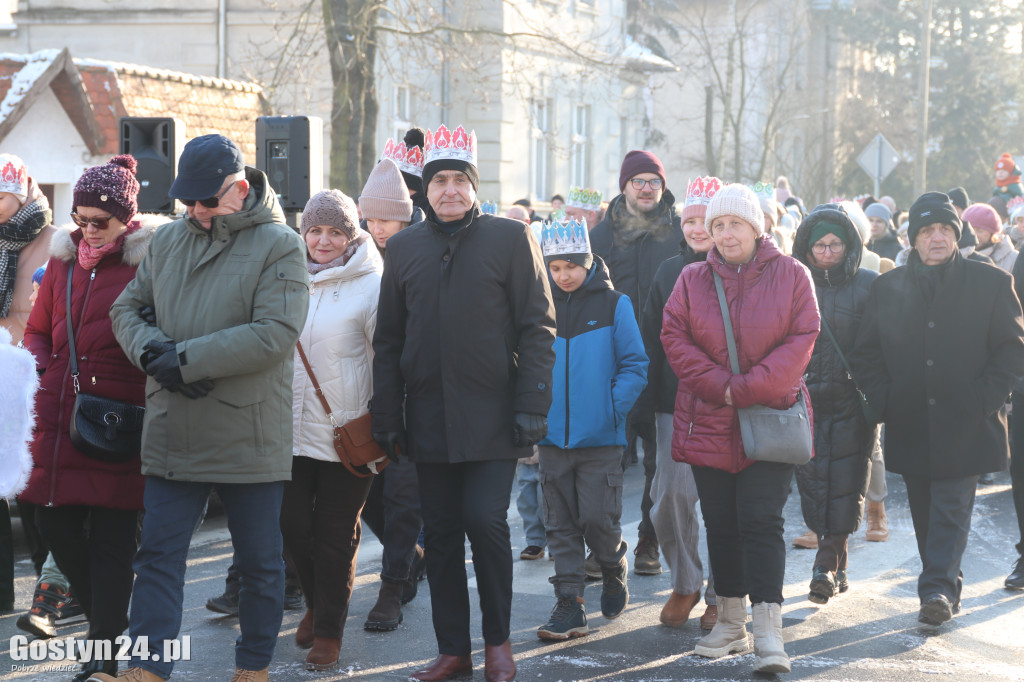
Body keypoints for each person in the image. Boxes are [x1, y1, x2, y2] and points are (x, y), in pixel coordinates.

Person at [103, 134, 309, 682]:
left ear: (240, 189)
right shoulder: (168, 241)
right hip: (176, 424)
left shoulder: (281, 244)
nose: (196, 211)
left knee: (261, 564)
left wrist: (185, 360)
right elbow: (126, 307)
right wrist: (153, 354)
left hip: (249, 428)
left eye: (207, 200)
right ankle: (148, 667)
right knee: (158, 559)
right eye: (187, 200)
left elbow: (275, 333)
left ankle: (254, 666)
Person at [371, 124, 555, 682]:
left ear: (474, 186)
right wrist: (388, 414)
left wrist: (531, 405)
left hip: (495, 417)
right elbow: (389, 340)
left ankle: (498, 643)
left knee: (485, 521)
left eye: (459, 180)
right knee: (442, 533)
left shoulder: (510, 238)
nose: (449, 190)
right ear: (424, 189)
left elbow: (538, 327)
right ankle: (453, 649)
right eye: (439, 180)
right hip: (427, 419)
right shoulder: (403, 249)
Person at [661, 183, 818, 674]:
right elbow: (674, 336)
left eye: (735, 224)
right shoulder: (690, 279)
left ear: (757, 227)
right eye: (717, 226)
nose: (726, 235)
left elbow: (803, 336)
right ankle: (730, 621)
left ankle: (768, 627)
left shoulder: (793, 274)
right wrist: (720, 387)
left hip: (767, 420)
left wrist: (744, 388)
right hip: (707, 418)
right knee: (721, 524)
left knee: (761, 522)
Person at [850, 191, 1024, 628]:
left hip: (968, 421)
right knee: (926, 511)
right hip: (910, 419)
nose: (937, 237)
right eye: (927, 230)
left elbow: (1011, 348)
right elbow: (866, 353)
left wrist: (985, 399)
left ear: (957, 234)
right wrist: (885, 398)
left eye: (945, 229)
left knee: (951, 504)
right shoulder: (888, 288)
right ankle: (947, 581)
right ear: (913, 239)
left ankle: (937, 590)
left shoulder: (990, 283)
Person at [20, 156, 161, 681]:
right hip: (59, 415)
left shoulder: (149, 263)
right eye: (80, 218)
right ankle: (107, 618)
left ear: (127, 217)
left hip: (121, 419)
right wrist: (36, 363)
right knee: (51, 522)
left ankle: (103, 652)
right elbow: (37, 330)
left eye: (100, 220)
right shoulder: (59, 264)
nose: (88, 229)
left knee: (113, 542)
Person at [534, 218, 647, 640]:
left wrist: (609, 411)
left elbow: (636, 365)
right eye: (555, 267)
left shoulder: (615, 304)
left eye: (571, 266)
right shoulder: (537, 305)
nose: (563, 275)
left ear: (588, 262)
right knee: (559, 525)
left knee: (598, 518)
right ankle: (570, 604)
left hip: (600, 438)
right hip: (550, 439)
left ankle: (612, 561)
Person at [282, 190, 382, 669]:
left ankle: (328, 632)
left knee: (335, 534)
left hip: (348, 431)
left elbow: (387, 358)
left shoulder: (372, 282)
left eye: (335, 231)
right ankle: (317, 601)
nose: (323, 240)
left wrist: (388, 420)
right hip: (289, 430)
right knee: (292, 526)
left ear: (351, 235)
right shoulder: (285, 276)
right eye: (315, 230)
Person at [591, 149, 681, 576]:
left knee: (658, 463)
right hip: (611, 366)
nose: (647, 189)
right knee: (608, 459)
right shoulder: (600, 237)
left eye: (654, 182)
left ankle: (649, 538)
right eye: (638, 181)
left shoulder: (680, 233)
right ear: (624, 186)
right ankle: (605, 543)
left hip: (666, 363)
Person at [638, 176, 722, 631]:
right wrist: (644, 400)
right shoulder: (668, 271)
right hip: (674, 404)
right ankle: (686, 581)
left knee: (725, 504)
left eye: (703, 220)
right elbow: (651, 337)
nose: (695, 228)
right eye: (688, 220)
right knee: (668, 496)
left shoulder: (741, 269)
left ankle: (723, 596)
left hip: (730, 404)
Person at [791, 203, 878, 605]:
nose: (827, 252)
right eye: (819, 245)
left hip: (850, 403)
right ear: (806, 248)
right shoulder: (793, 282)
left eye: (835, 244)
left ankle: (823, 566)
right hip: (804, 401)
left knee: (844, 485)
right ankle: (837, 565)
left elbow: (880, 344)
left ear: (850, 246)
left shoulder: (868, 285)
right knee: (814, 485)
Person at [357, 157, 428, 632]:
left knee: (404, 498)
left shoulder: (423, 251)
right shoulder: (357, 254)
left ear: (405, 214)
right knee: (370, 498)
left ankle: (392, 587)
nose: (377, 227)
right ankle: (411, 557)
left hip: (413, 397)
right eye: (371, 218)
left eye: (386, 217)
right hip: (361, 398)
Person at [362, 157, 423, 252]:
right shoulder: (356, 253)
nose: (377, 231)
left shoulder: (425, 252)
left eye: (385, 220)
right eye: (370, 220)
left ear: (403, 220)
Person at [963, 202, 1018, 272]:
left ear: (993, 234)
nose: (974, 235)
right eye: (969, 230)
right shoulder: (955, 256)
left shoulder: (1014, 258)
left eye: (980, 231)